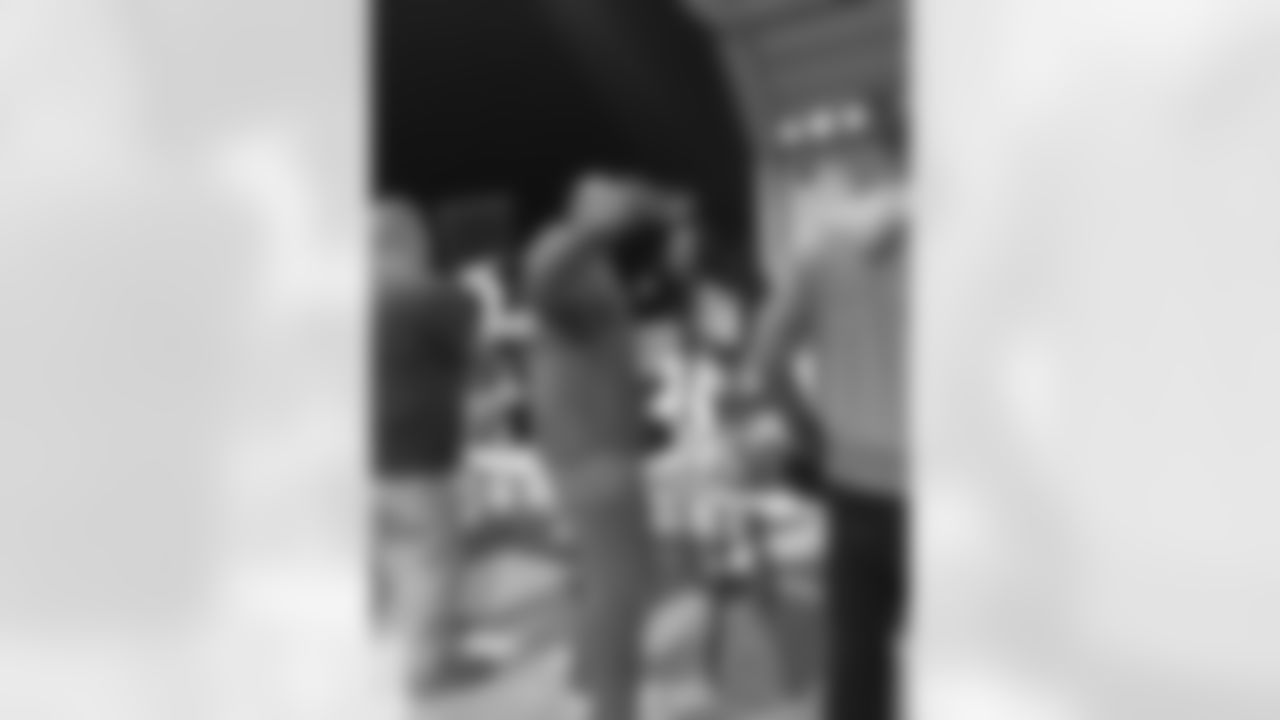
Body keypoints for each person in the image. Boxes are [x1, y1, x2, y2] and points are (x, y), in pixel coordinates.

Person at [734, 123, 909, 720]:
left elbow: (764, 361)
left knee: (857, 665)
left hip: (856, 482)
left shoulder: (825, 247)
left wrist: (812, 435)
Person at [523, 175, 698, 720]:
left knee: (610, 578)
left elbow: (599, 330)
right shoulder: (559, 251)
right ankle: (612, 705)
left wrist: (632, 379)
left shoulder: (591, 267)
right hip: (593, 452)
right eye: (610, 197)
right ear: (583, 207)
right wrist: (598, 226)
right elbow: (544, 283)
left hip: (602, 441)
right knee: (621, 591)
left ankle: (587, 678)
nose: (624, 206)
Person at [372, 197, 489, 696]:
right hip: (416, 454)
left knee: (392, 564)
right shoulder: (434, 295)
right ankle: (428, 673)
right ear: (411, 241)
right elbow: (477, 347)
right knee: (433, 564)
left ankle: (399, 656)